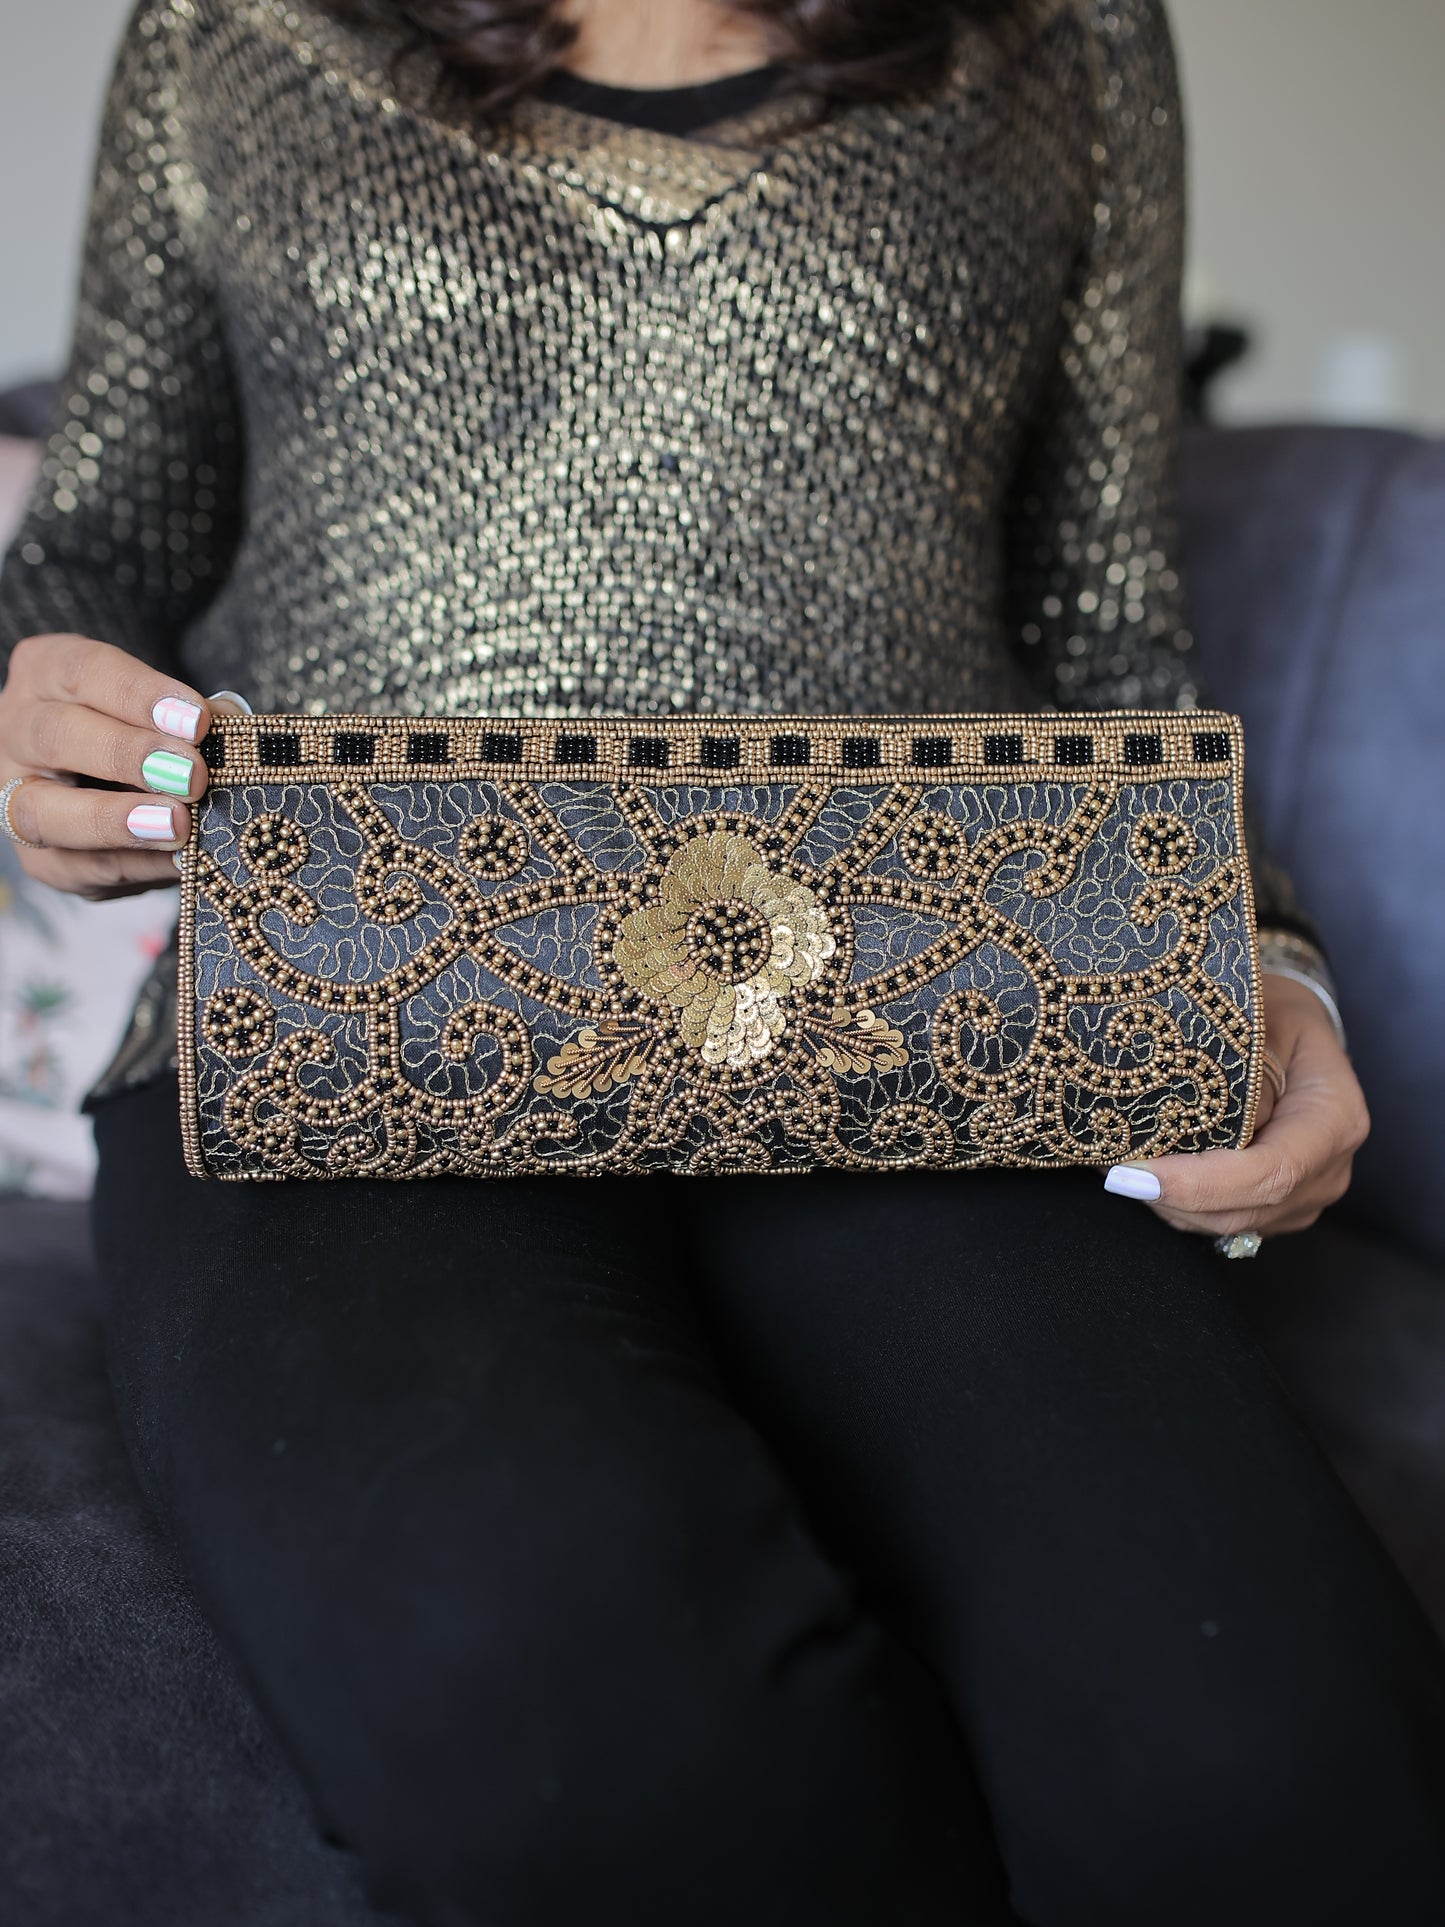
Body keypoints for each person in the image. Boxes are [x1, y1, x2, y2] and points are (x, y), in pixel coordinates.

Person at [0, 1, 1440, 1921]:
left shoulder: (1066, 41)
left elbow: (1111, 645)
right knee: (571, 1715)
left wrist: (1272, 966)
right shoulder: (233, 31)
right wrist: (48, 718)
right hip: (342, 1011)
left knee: (1269, 1749)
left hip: (937, 1017)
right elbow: (93, 548)